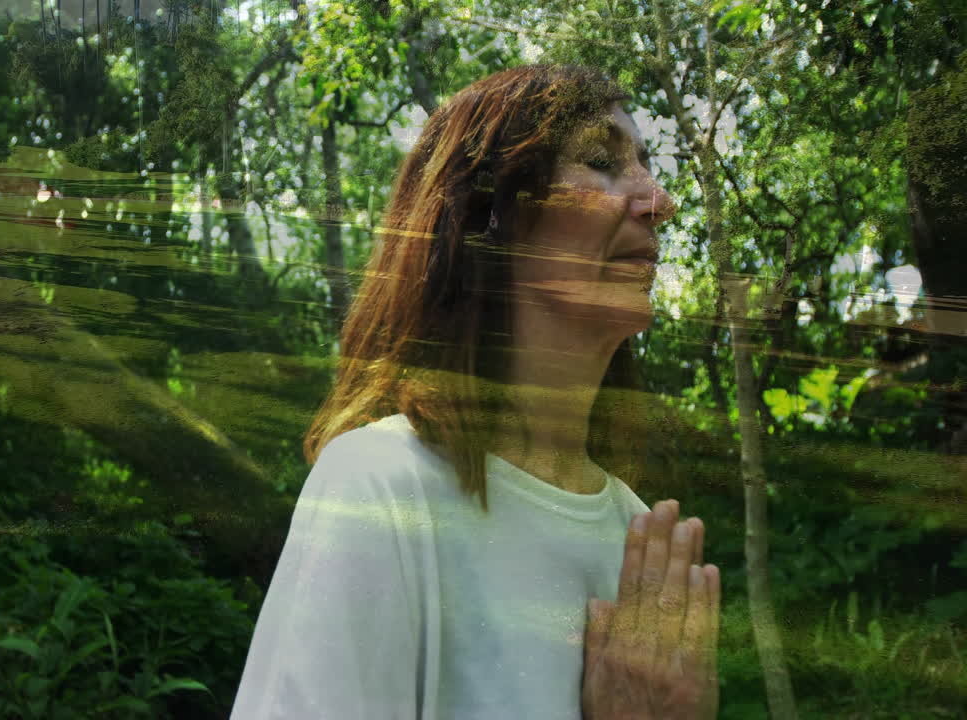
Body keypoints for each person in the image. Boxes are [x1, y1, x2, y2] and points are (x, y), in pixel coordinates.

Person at [231, 64, 721, 720]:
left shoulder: (636, 535)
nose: (659, 201)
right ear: (488, 217)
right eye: (602, 160)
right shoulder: (381, 487)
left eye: (643, 164)